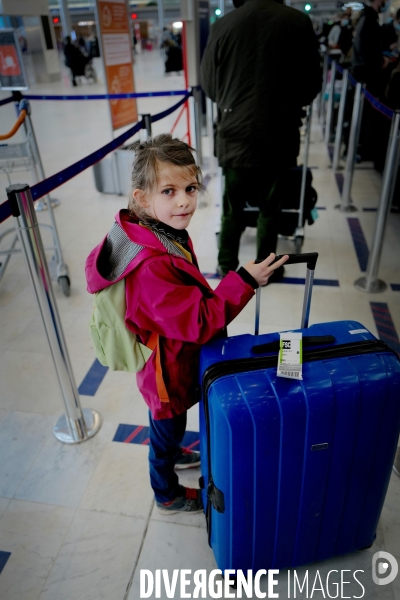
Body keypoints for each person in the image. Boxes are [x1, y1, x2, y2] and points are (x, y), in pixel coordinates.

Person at [85, 134, 288, 514]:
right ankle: (166, 493)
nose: (184, 200)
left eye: (190, 188)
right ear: (142, 197)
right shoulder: (151, 266)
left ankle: (174, 452)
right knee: (165, 433)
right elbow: (197, 321)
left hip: (170, 356)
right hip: (165, 373)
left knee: (170, 430)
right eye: (169, 190)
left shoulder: (157, 229)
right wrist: (243, 281)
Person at [200, 0, 321, 281]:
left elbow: (209, 82)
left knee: (232, 207)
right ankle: (266, 269)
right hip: (279, 132)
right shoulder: (298, 22)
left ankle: (226, 264)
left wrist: (233, 102)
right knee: (271, 208)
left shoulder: (223, 25)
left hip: (235, 132)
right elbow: (312, 83)